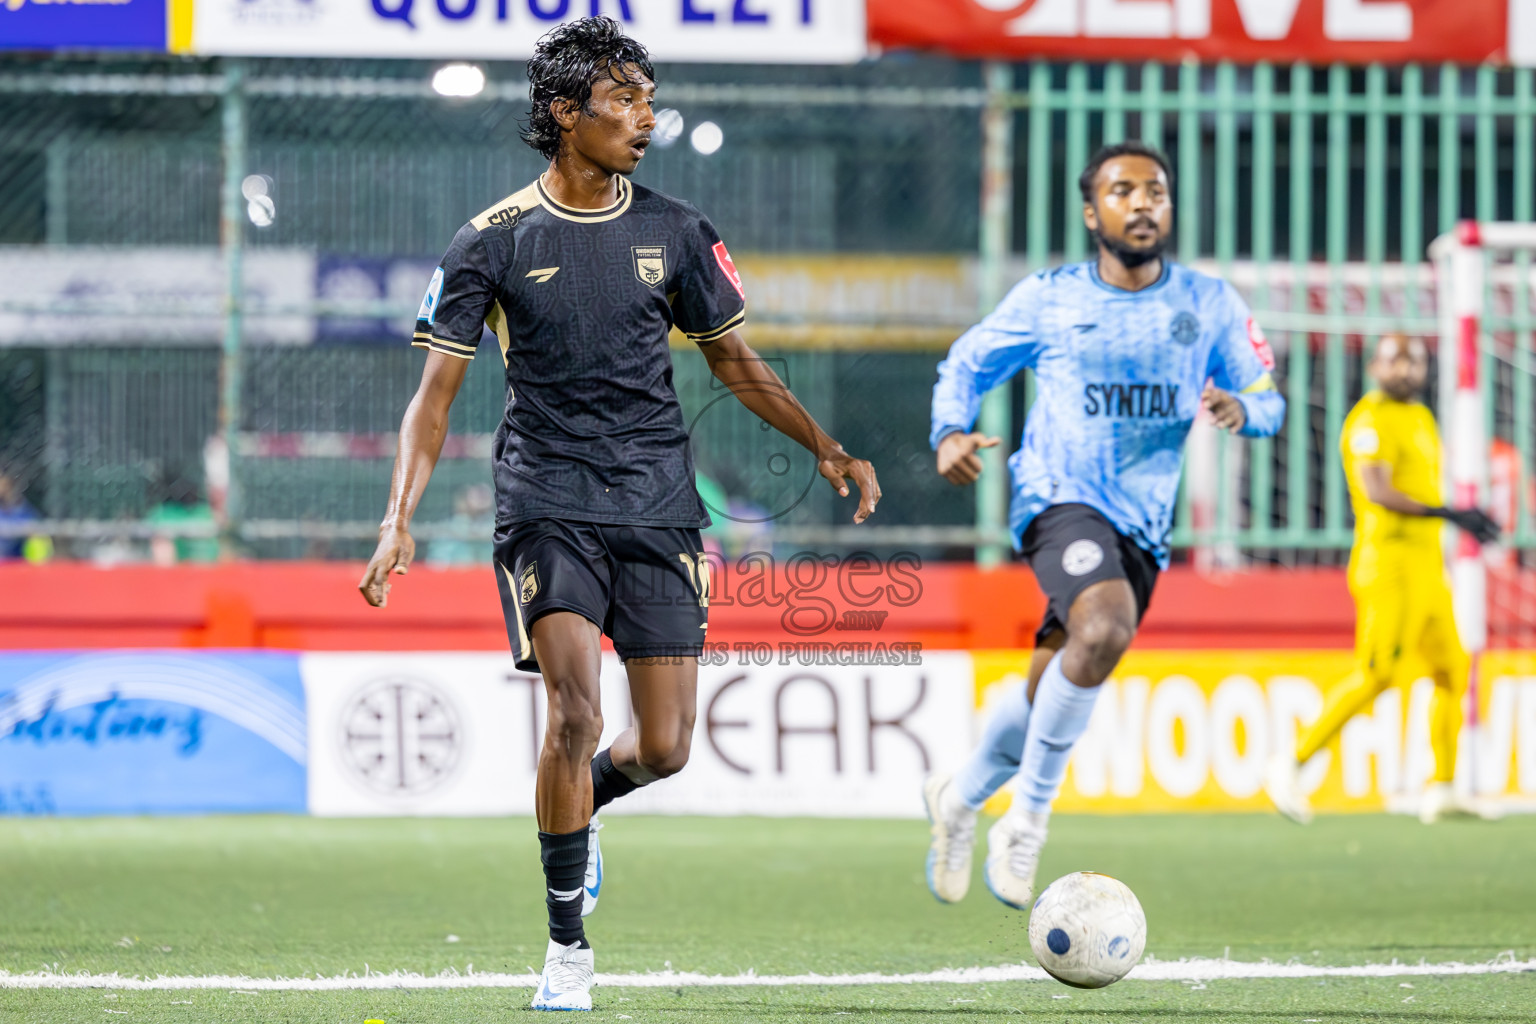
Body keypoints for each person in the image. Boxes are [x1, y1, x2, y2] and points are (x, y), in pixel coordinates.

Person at [356, 17, 879, 1012]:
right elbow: (433, 399)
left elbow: (733, 360)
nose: (646, 117)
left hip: (657, 507)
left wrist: (824, 444)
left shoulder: (678, 231)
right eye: (625, 100)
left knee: (666, 745)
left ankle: (579, 812)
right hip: (546, 500)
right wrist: (397, 518)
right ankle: (567, 951)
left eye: (648, 98)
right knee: (574, 707)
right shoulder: (493, 241)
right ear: (564, 113)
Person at [923, 142, 1285, 910]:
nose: (1144, 202)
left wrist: (1244, 409)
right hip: (1056, 497)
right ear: (1094, 214)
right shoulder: (1051, 298)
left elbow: (1270, 397)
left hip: (1144, 526)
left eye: (1156, 189)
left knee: (1056, 677)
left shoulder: (1209, 304)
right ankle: (1027, 823)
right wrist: (950, 430)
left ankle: (959, 797)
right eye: (1123, 191)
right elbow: (967, 362)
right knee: (1104, 627)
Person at [1265, 333, 1500, 826]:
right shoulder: (1369, 420)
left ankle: (1444, 788)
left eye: (1414, 361)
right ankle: (1292, 763)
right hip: (1387, 566)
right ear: (1375, 366)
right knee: (1378, 674)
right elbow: (1378, 490)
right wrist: (1450, 513)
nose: (1406, 370)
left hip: (1429, 569)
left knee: (1452, 672)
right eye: (1395, 360)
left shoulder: (1419, 416)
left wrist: (1449, 518)